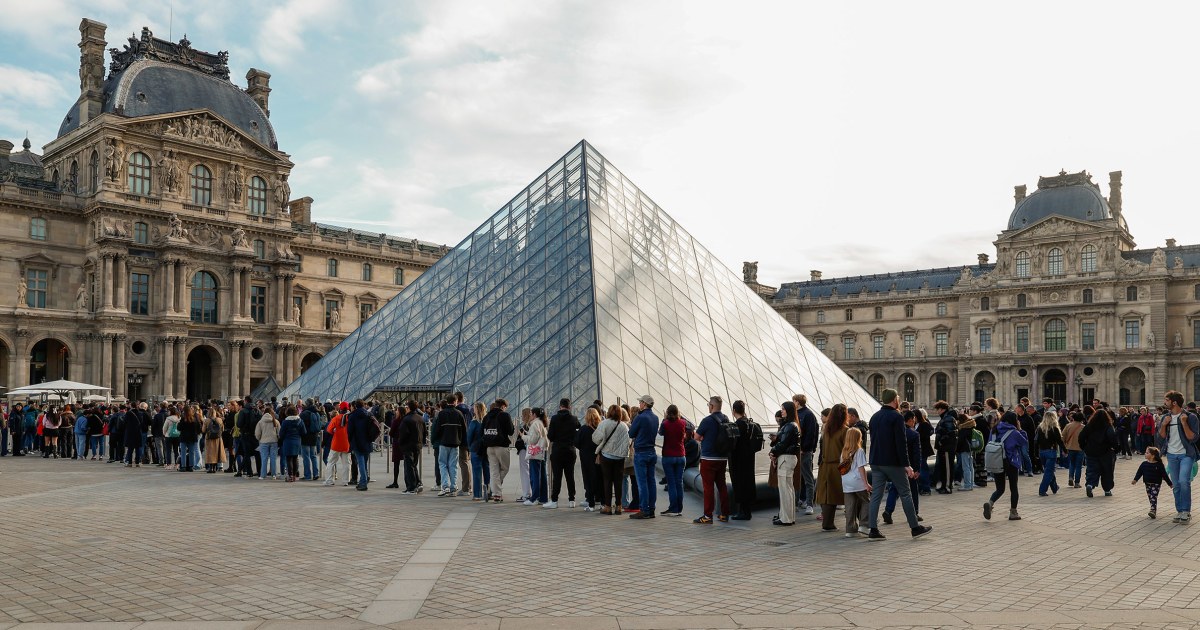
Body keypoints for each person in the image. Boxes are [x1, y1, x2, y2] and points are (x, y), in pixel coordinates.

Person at [866, 389, 931, 540]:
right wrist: (907, 465)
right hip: (893, 463)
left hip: (876, 461)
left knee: (876, 495)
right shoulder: (896, 417)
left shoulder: (874, 417)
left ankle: (873, 530)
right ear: (894, 400)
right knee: (906, 494)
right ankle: (915, 528)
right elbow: (901, 443)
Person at [1156, 391, 1198, 523]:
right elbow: (1160, 438)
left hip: (1186, 454)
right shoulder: (1165, 418)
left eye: (1166, 400)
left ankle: (1186, 511)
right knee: (1176, 485)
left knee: (1184, 481)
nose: (1164, 402)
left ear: (1174, 402)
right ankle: (1179, 511)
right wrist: (1163, 425)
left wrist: (1184, 423)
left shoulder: (1190, 417)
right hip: (1171, 455)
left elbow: (1193, 438)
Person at [983, 411, 1028, 521]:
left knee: (1000, 488)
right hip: (1011, 462)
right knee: (1013, 488)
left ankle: (990, 503)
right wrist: (1020, 429)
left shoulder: (994, 430)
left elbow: (990, 443)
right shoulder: (1014, 432)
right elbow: (1024, 442)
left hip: (997, 461)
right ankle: (1013, 512)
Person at [691, 396, 729, 523]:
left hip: (708, 458)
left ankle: (707, 516)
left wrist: (702, 438)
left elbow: (696, 436)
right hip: (722, 458)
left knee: (708, 488)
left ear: (712, 406)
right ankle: (724, 514)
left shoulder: (707, 420)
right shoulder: (726, 419)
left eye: (708, 405)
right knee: (722, 486)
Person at [882, 410, 923, 526]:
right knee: (913, 490)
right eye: (913, 420)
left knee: (894, 489)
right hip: (909, 467)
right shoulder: (914, 434)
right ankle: (914, 513)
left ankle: (888, 511)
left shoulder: (894, 432)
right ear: (910, 420)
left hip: (896, 466)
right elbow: (916, 454)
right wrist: (917, 469)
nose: (914, 422)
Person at [816, 404, 849, 531]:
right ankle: (856, 524)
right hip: (838, 466)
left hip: (824, 465)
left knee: (827, 495)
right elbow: (847, 452)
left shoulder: (825, 428)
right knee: (845, 494)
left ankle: (827, 523)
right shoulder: (845, 430)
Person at [593, 404, 630, 515]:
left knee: (607, 481)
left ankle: (608, 506)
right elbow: (627, 442)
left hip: (607, 456)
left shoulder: (604, 423)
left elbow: (596, 439)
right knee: (618, 481)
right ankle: (618, 506)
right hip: (619, 457)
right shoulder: (624, 426)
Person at [628, 395, 660, 520]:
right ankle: (651, 509)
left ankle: (644, 510)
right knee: (651, 482)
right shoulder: (656, 418)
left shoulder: (640, 417)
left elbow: (631, 434)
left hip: (641, 452)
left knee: (642, 483)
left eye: (640, 402)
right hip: (652, 452)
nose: (639, 404)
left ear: (644, 404)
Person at [769, 401, 800, 527]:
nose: (781, 411)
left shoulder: (789, 426)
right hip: (790, 458)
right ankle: (788, 517)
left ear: (789, 410)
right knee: (789, 489)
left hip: (786, 458)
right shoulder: (792, 425)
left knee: (785, 489)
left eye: (783, 409)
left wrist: (773, 452)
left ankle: (786, 518)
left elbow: (783, 444)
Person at [546, 398, 580, 509]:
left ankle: (554, 500)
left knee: (557, 477)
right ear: (569, 407)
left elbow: (550, 436)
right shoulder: (574, 419)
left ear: (560, 406)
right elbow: (578, 431)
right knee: (570, 476)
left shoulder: (555, 419)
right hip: (570, 450)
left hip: (557, 451)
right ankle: (572, 500)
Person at [1078, 407, 1119, 498]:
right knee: (1107, 471)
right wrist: (1116, 449)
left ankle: (1090, 484)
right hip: (1105, 452)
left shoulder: (1089, 426)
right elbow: (1112, 438)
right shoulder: (1108, 426)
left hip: (1091, 451)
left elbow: (1081, 437)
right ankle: (1107, 489)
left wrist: (1084, 447)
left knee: (1092, 470)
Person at [729, 400, 759, 520]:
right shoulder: (749, 423)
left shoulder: (737, 425)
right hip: (749, 458)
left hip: (738, 460)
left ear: (734, 411)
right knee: (748, 482)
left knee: (740, 484)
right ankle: (747, 511)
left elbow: (732, 444)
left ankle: (743, 512)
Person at [840, 426, 870, 537]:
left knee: (850, 506)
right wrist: (866, 484)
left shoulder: (843, 452)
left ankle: (850, 530)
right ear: (858, 438)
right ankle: (864, 524)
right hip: (857, 481)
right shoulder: (859, 451)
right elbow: (861, 469)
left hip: (846, 482)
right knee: (866, 501)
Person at [658, 404, 687, 517]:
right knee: (679, 482)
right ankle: (679, 508)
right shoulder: (683, 423)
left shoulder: (665, 423)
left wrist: (664, 418)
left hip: (668, 456)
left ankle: (673, 508)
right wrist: (681, 417)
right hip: (681, 455)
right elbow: (692, 426)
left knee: (671, 483)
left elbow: (660, 432)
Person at [482, 399, 514, 502]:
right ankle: (494, 489)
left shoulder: (486, 416)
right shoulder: (504, 415)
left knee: (494, 471)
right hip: (501, 446)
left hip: (489, 447)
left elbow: (481, 431)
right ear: (503, 406)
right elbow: (511, 431)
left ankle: (496, 493)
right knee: (505, 468)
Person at [434, 398, 466, 496]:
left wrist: (438, 439)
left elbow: (437, 429)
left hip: (444, 443)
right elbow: (464, 430)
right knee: (453, 465)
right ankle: (453, 486)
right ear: (455, 401)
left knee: (442, 464)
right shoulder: (459, 413)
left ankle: (445, 486)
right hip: (455, 443)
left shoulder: (442, 413)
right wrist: (461, 441)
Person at [794, 394, 819, 515]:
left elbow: (811, 434)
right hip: (797, 452)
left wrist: (805, 449)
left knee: (808, 478)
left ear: (798, 402)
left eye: (793, 401)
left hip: (804, 452)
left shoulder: (808, 415)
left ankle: (809, 504)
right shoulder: (797, 414)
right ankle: (798, 501)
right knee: (797, 478)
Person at [345, 400, 378, 492]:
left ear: (355, 406)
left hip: (357, 442)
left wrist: (350, 442)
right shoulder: (369, 414)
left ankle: (363, 483)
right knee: (364, 462)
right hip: (367, 441)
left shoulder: (352, 416)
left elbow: (350, 431)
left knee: (361, 463)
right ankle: (364, 479)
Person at [1133, 446, 1171, 519]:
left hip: (1156, 483)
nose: (1145, 454)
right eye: (1145, 452)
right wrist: (1135, 479)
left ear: (1153, 456)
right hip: (1147, 483)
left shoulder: (1159, 465)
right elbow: (1139, 472)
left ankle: (1153, 510)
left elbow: (1164, 475)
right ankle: (1153, 509)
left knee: (1153, 496)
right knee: (1150, 497)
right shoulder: (1144, 464)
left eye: (1147, 453)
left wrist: (1170, 483)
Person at [396, 400, 424, 493]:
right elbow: (425, 432)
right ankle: (418, 483)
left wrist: (400, 443)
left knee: (409, 466)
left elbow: (403, 434)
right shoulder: (420, 418)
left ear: (408, 408)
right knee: (413, 465)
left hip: (408, 445)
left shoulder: (406, 419)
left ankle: (411, 487)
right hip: (418, 445)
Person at [1034, 411, 1066, 496]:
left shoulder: (1039, 428)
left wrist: (1036, 453)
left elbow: (1036, 441)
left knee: (1049, 470)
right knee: (1048, 471)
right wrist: (1065, 450)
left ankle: (1055, 487)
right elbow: (1059, 441)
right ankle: (1042, 490)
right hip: (1051, 451)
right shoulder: (1054, 428)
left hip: (1042, 451)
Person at [466, 402, 491, 501]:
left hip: (476, 449)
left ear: (477, 410)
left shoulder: (474, 422)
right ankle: (489, 493)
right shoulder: (488, 421)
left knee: (477, 473)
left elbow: (469, 437)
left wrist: (469, 448)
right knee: (487, 471)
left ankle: (478, 494)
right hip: (486, 449)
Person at [577, 407, 601, 511]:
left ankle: (591, 504)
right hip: (599, 457)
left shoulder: (584, 429)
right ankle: (602, 502)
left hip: (586, 457)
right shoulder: (600, 427)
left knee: (588, 480)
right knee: (599, 479)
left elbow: (576, 442)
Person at [524, 408, 549, 506]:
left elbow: (533, 440)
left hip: (535, 452)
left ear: (534, 414)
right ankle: (543, 498)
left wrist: (523, 436)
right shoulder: (541, 422)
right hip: (542, 451)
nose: (529, 415)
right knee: (542, 475)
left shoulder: (535, 424)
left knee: (535, 475)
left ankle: (534, 498)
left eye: (530, 413)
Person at [932, 401, 957, 494]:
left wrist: (941, 442)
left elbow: (951, 433)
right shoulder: (945, 418)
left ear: (942, 409)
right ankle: (943, 485)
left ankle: (947, 487)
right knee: (943, 467)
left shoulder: (948, 418)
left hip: (947, 447)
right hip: (944, 447)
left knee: (947, 468)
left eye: (938, 409)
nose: (937, 411)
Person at [324, 407, 352, 486]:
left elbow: (329, 430)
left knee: (331, 462)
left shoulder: (336, 418)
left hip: (336, 443)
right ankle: (346, 481)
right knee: (346, 463)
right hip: (346, 444)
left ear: (340, 410)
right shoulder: (350, 419)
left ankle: (329, 480)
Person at [278, 406, 306, 482]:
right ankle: (294, 475)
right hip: (297, 441)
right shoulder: (300, 421)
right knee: (295, 458)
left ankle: (290, 476)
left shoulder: (285, 422)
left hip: (287, 442)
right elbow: (304, 432)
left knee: (289, 459)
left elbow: (281, 434)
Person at [255, 406, 281, 480]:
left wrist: (259, 439)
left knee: (264, 459)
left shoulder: (260, 422)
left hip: (264, 442)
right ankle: (274, 474)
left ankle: (263, 475)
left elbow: (257, 433)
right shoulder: (276, 421)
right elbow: (279, 432)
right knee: (273, 459)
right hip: (274, 441)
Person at [1062, 411, 1086, 488]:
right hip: (1080, 448)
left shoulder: (1068, 426)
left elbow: (1063, 436)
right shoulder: (1083, 427)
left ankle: (1071, 477)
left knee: (1072, 464)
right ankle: (1077, 483)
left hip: (1070, 447)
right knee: (1078, 466)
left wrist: (1064, 446)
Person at [955, 410, 977, 491]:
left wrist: (956, 449)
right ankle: (971, 483)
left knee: (966, 467)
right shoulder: (970, 426)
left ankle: (967, 485)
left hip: (964, 449)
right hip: (970, 448)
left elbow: (960, 440)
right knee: (970, 467)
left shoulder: (963, 428)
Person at [202, 407, 226, 473]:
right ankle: (215, 467)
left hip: (209, 438)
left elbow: (203, 430)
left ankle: (211, 468)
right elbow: (223, 429)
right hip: (218, 438)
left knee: (210, 453)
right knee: (217, 452)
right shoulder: (219, 419)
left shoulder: (206, 420)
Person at [515, 408, 532, 502]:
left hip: (524, 450)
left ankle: (526, 494)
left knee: (524, 471)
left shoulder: (525, 426)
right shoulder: (533, 424)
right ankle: (529, 493)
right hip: (531, 450)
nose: (521, 416)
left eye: (522, 414)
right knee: (529, 471)